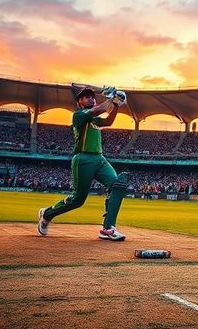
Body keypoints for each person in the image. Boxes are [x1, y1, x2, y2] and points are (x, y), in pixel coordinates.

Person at [36, 85, 130, 241]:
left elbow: (108, 121)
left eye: (93, 97)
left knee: (117, 185)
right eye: (87, 97)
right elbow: (99, 110)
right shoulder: (79, 115)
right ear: (79, 101)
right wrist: (110, 98)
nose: (91, 99)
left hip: (99, 158)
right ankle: (47, 214)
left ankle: (108, 228)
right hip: (83, 159)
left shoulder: (93, 118)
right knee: (77, 200)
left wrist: (116, 105)